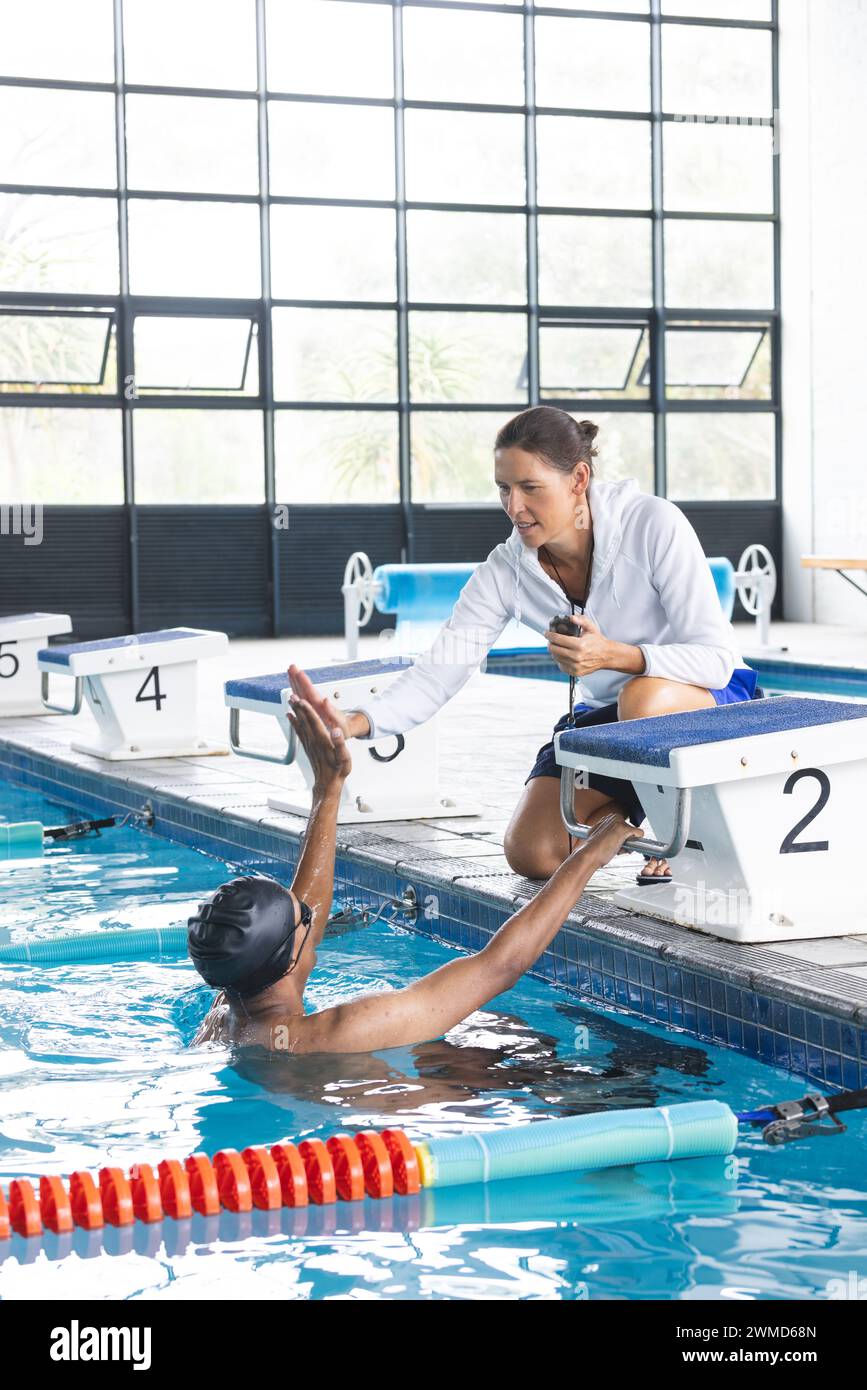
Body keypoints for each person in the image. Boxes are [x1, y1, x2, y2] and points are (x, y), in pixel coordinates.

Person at [308, 406, 761, 882]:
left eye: (530, 488)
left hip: (707, 704)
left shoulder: (652, 524)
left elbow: (715, 660)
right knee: (532, 852)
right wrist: (358, 722)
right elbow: (443, 666)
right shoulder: (508, 569)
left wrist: (618, 656)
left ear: (579, 479)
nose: (514, 507)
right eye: (504, 488)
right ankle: (624, 828)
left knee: (643, 696)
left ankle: (682, 837)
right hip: (611, 720)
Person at [189, 669, 640, 1055]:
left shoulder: (228, 1013)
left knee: (487, 1030)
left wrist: (328, 791)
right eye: (304, 918)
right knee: (512, 1039)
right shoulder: (339, 1031)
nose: (313, 913)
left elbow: (300, 922)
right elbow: (500, 965)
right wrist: (587, 857)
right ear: (289, 958)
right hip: (421, 1121)